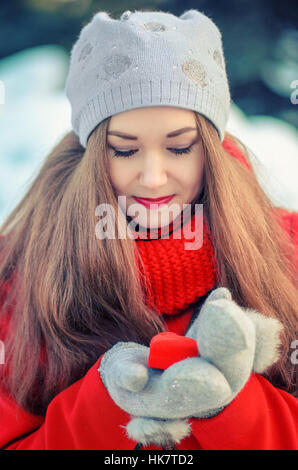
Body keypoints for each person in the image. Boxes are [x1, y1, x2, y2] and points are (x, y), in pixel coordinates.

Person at [0, 8, 297, 451]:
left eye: (179, 148)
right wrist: (107, 403)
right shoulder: (22, 272)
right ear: (92, 153)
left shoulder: (287, 249)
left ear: (211, 149)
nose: (154, 177)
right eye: (124, 150)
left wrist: (229, 405)